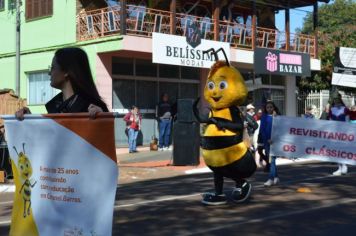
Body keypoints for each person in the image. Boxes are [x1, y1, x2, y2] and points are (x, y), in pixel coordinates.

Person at [16, 47, 108, 119]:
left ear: (66, 72)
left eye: (52, 68)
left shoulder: (93, 108)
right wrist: (29, 119)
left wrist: (102, 118)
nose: (49, 73)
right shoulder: (55, 106)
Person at [259, 100, 280, 187]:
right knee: (272, 160)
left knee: (272, 160)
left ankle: (271, 178)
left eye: (271, 107)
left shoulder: (278, 117)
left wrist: (276, 117)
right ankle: (275, 177)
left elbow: (280, 128)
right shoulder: (264, 117)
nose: (269, 109)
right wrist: (267, 139)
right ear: (265, 108)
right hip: (267, 142)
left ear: (274, 108)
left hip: (275, 141)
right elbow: (262, 130)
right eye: (268, 107)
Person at [329, 92, 349, 176]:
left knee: (343, 150)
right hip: (334, 133)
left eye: (338, 99)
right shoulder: (331, 110)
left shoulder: (345, 109)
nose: (337, 101)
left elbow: (347, 121)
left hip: (343, 132)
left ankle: (344, 165)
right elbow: (330, 122)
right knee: (336, 151)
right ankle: (339, 168)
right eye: (335, 100)